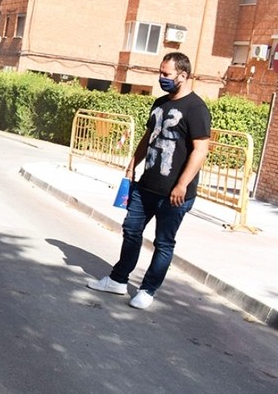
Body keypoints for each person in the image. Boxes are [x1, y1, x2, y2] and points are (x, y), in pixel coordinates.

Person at [88, 52, 211, 310]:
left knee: (163, 243)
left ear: (183, 75)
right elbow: (149, 137)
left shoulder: (196, 108)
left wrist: (182, 185)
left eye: (166, 74)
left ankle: (147, 290)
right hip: (145, 187)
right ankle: (118, 280)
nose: (161, 78)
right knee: (131, 230)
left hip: (175, 194)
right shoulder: (160, 103)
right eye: (160, 73)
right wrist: (133, 164)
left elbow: (201, 150)